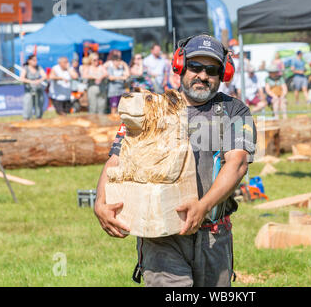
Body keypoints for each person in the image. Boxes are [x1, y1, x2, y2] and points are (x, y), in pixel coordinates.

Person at [94, 34, 256, 287]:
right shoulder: (150, 109)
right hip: (160, 235)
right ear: (180, 66)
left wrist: (203, 206)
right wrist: (100, 203)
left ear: (223, 74)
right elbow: (116, 159)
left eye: (211, 69)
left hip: (213, 234)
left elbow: (237, 164)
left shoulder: (235, 111)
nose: (202, 75)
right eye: (195, 66)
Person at [19, 54, 47, 120]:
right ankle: (26, 118)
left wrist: (39, 80)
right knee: (28, 104)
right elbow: (21, 78)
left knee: (39, 104)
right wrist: (32, 82)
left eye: (36, 60)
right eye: (34, 60)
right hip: (29, 89)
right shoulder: (26, 68)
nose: (35, 62)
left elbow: (44, 76)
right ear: (29, 61)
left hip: (38, 89)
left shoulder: (38, 67)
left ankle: (39, 117)